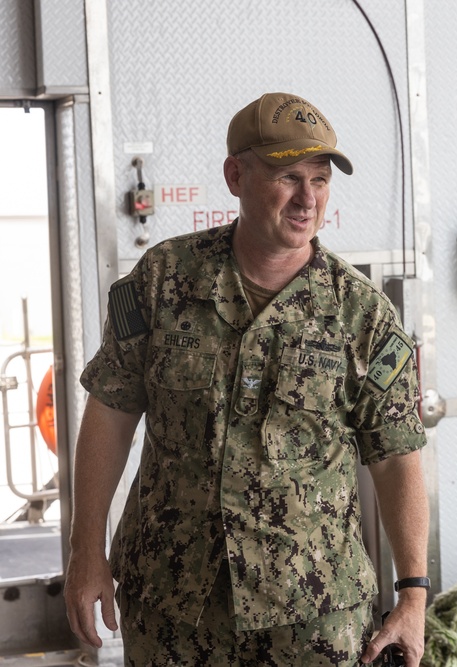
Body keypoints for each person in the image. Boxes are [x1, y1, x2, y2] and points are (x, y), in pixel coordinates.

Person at [64, 92, 430, 666]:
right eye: (288, 177)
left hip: (312, 613)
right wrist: (85, 551)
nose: (308, 199)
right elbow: (110, 417)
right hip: (173, 603)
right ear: (237, 175)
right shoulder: (163, 282)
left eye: (320, 179)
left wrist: (414, 595)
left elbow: (396, 457)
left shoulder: (361, 314)